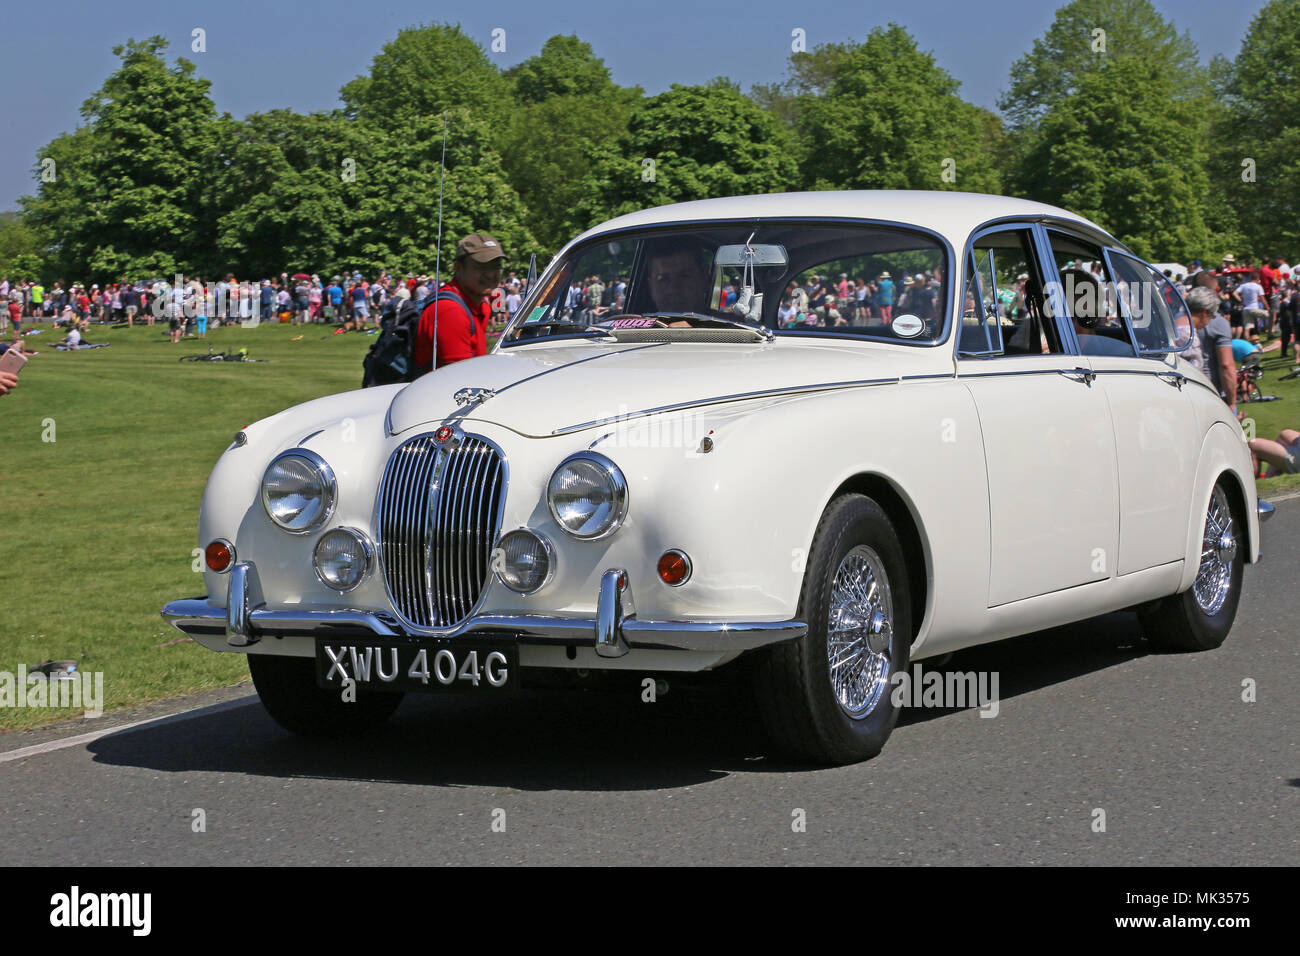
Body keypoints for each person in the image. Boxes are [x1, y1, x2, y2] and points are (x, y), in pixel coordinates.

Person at [412, 233, 505, 376]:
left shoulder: (481, 307)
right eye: (481, 267)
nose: (491, 274)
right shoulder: (450, 310)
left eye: (496, 266)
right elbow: (461, 380)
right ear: (458, 267)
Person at [1187, 285, 1237, 411]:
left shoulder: (1172, 320)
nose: (1211, 320)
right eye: (1211, 316)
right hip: (1208, 391)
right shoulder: (1218, 323)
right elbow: (1226, 365)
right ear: (1205, 313)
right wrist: (1232, 403)